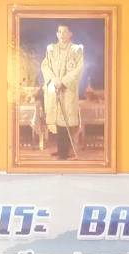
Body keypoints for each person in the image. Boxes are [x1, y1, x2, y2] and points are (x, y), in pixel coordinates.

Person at [41, 24, 84, 161]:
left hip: (67, 90)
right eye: (59, 32)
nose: (61, 34)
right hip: (55, 88)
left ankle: (65, 152)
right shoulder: (51, 49)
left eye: (65, 32)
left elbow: (78, 69)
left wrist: (63, 81)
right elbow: (45, 65)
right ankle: (61, 149)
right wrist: (53, 79)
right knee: (57, 120)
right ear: (56, 34)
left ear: (70, 34)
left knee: (66, 120)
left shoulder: (76, 49)